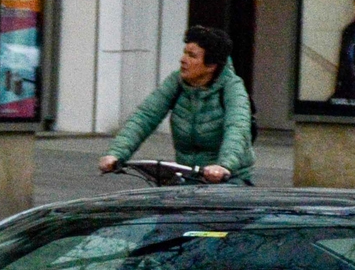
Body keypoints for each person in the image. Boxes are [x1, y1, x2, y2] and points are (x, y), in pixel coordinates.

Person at [98, 26, 255, 183]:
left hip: (227, 178)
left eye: (192, 56)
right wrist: (116, 154)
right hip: (187, 176)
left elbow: (237, 127)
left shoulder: (232, 87)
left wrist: (224, 166)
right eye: (184, 52)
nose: (183, 59)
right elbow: (145, 116)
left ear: (211, 65)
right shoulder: (177, 81)